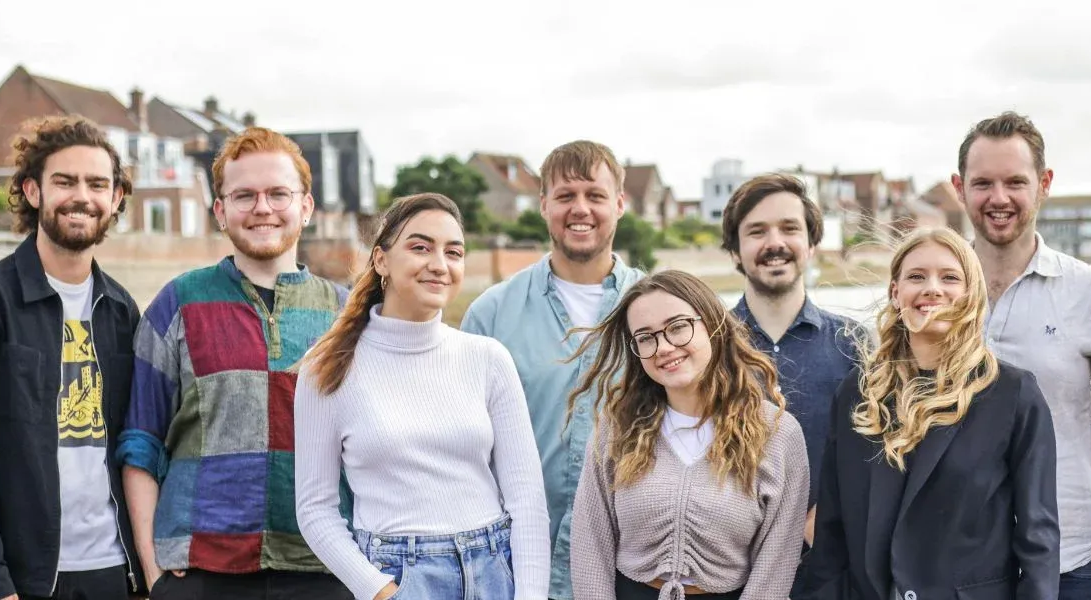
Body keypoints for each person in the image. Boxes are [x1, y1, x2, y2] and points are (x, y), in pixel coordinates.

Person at [117, 128, 353, 599]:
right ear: (221, 211)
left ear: (305, 206)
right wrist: (151, 569)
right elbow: (141, 441)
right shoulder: (178, 304)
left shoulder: (346, 315)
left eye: (277, 194)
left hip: (324, 567)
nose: (262, 208)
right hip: (200, 570)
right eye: (244, 195)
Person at [295, 193, 550, 600]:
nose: (439, 264)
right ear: (381, 260)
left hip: (493, 573)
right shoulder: (326, 368)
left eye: (454, 252)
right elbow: (314, 509)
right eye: (420, 247)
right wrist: (380, 592)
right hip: (399, 577)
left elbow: (527, 502)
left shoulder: (487, 359)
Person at [0, 115, 146, 600]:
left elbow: (135, 443)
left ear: (115, 200)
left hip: (113, 570)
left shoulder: (120, 310)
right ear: (33, 192)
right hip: (22, 577)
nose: (82, 196)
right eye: (64, 181)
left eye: (97, 184)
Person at [793, 227, 1059, 600]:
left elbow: (1038, 537)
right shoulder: (858, 391)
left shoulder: (1013, 393)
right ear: (895, 292)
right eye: (916, 276)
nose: (932, 288)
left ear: (971, 293)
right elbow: (832, 529)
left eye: (949, 277)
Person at [954, 111, 1091, 599]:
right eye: (983, 183)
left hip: (1068, 555)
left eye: (1016, 181)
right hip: (952, 558)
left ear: (1044, 184)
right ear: (959, 187)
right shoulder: (931, 293)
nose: (999, 198)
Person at [460, 140, 646, 600]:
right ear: (543, 205)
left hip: (634, 565)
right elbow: (463, 451)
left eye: (595, 195)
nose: (579, 209)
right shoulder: (491, 315)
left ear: (620, 204)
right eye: (565, 196)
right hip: (516, 568)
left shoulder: (658, 308)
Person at [568, 270, 809, 600]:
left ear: (711, 324)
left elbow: (777, 559)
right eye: (646, 337)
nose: (664, 347)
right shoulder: (617, 426)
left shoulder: (777, 433)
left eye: (678, 326)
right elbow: (590, 541)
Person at [717, 173, 864, 543]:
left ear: (812, 244)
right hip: (731, 568)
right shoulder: (708, 346)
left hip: (829, 565)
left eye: (789, 228)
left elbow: (872, 456)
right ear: (735, 250)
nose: (775, 243)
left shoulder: (855, 344)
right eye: (757, 232)